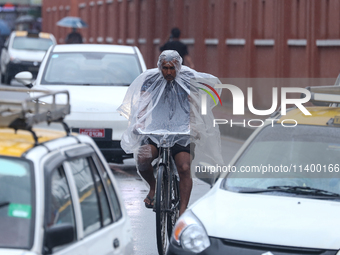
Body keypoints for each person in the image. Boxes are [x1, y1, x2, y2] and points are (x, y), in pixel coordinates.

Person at [117, 50, 223, 216]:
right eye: (165, 68)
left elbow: (194, 105)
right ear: (159, 66)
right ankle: (153, 187)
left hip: (182, 132)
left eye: (172, 68)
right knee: (143, 160)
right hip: (155, 131)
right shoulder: (151, 79)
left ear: (179, 67)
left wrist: (194, 125)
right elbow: (143, 104)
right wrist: (140, 122)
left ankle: (182, 211)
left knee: (184, 166)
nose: (168, 72)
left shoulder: (189, 79)